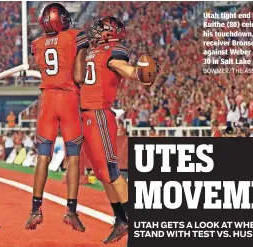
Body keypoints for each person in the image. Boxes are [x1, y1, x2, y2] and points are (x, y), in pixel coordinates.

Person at [81, 16, 159, 244]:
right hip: (85, 114)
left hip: (98, 114)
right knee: (103, 174)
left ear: (109, 33)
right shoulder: (93, 51)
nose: (94, 32)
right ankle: (121, 220)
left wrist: (137, 72)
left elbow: (120, 66)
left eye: (99, 29)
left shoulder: (113, 50)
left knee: (112, 172)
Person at [25, 3, 89, 231]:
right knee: (73, 156)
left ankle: (35, 210)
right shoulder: (77, 36)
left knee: (42, 156)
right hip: (69, 99)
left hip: (47, 102)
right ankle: (71, 211)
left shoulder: (37, 43)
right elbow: (79, 76)